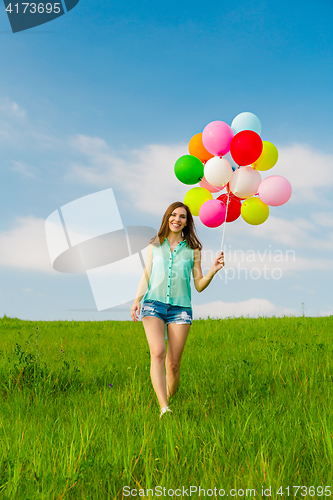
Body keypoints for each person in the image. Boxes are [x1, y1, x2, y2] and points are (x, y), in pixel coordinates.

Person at [131, 201, 224, 419]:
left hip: (181, 309)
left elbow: (199, 285)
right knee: (157, 353)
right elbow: (147, 274)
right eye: (173, 215)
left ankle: (169, 401)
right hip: (153, 304)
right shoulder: (155, 244)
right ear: (167, 218)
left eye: (182, 217)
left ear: (187, 222)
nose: (177, 219)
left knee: (173, 364)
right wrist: (137, 299)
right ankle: (164, 408)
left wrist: (213, 270)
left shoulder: (194, 249)